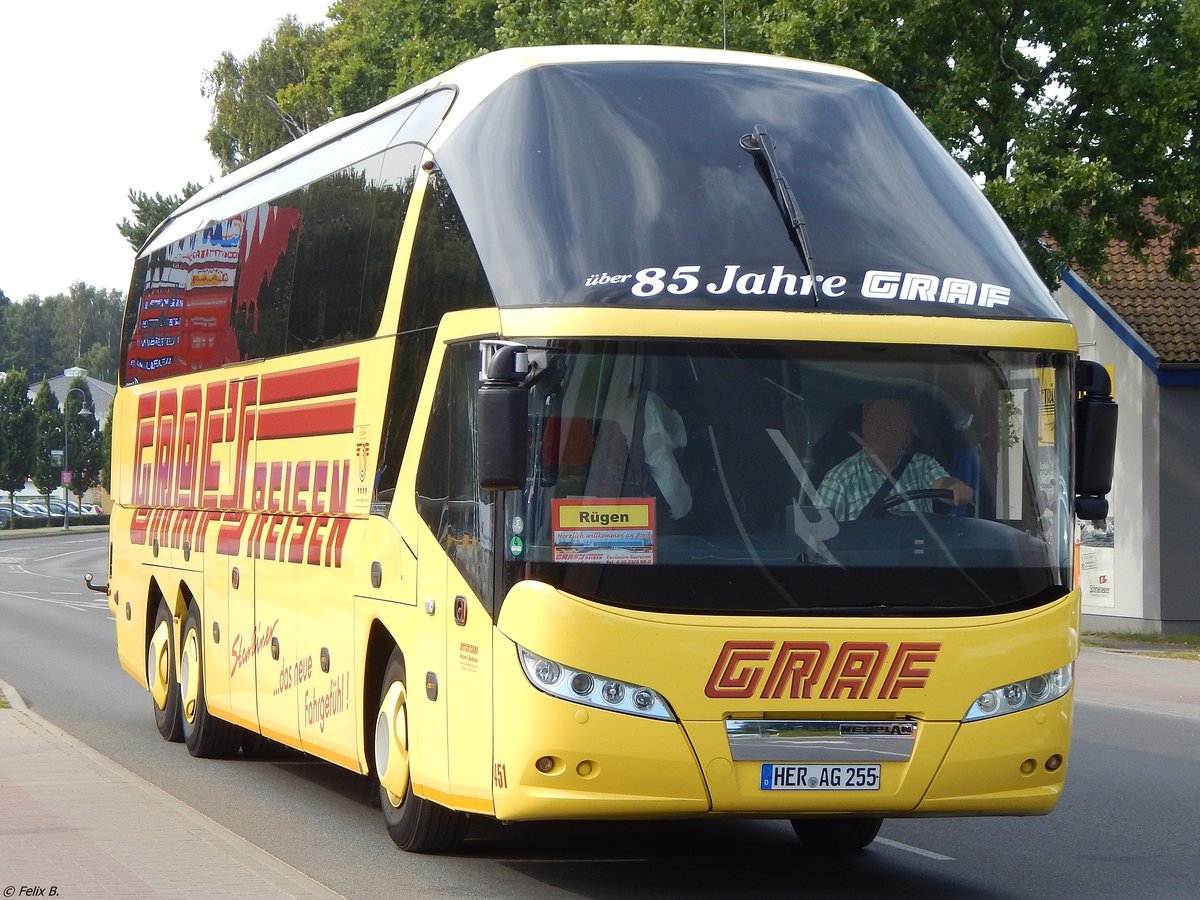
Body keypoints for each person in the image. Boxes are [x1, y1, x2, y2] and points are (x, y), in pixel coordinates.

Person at [816, 397, 973, 521]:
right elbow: (818, 534)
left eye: (894, 426)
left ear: (904, 434)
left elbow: (942, 483)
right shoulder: (839, 478)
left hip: (920, 556)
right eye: (879, 425)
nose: (886, 432)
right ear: (866, 431)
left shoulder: (921, 464)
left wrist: (955, 487)